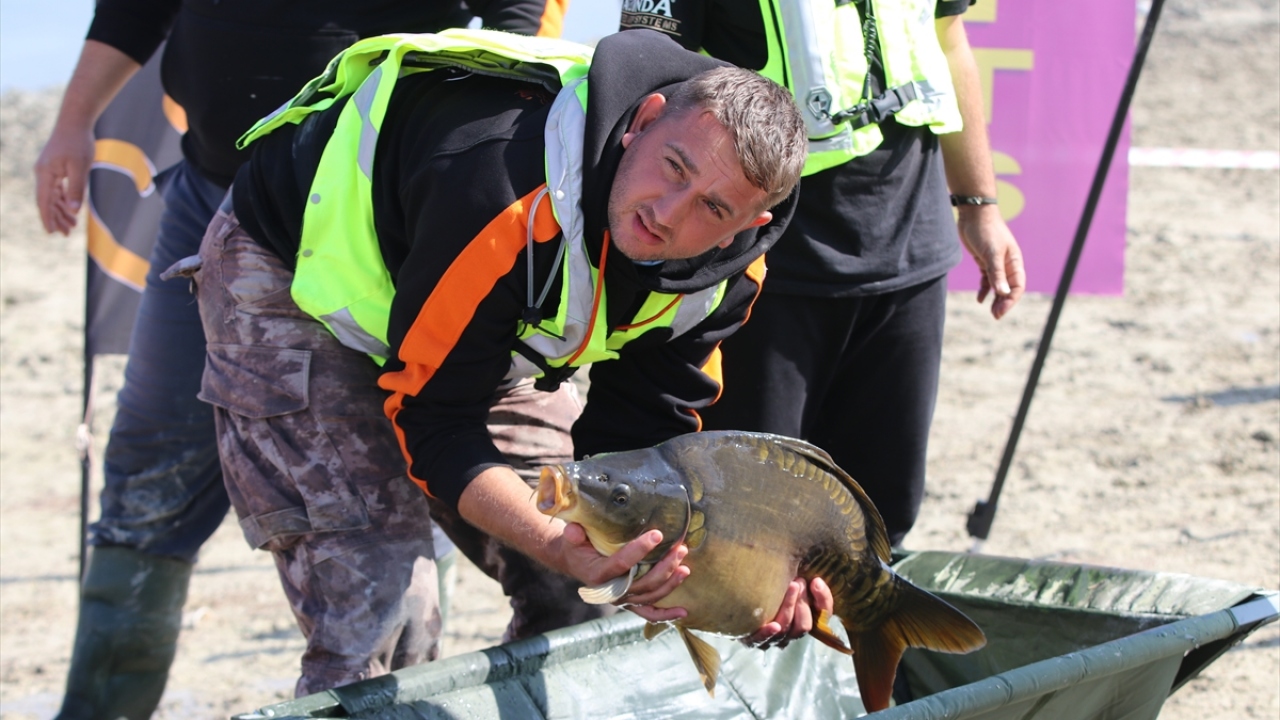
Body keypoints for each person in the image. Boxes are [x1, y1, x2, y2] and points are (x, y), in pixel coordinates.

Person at [188, 26, 829, 683]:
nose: (666, 214)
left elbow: (638, 445)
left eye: (711, 206)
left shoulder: (725, 280)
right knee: (383, 613)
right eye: (675, 168)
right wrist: (556, 541)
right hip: (295, 281)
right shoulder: (503, 188)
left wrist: (726, 576)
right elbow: (437, 423)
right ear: (644, 120)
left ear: (747, 227)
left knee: (581, 593)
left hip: (478, 325)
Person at [33, 2, 566, 716]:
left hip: (371, 214)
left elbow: (515, 16)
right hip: (214, 193)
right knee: (150, 472)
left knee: (390, 502)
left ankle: (403, 691)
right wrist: (73, 122)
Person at [621, 0, 1027, 546]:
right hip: (760, 264)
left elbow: (946, 37)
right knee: (742, 521)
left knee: (881, 518)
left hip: (909, 248)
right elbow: (648, 69)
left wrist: (978, 204)